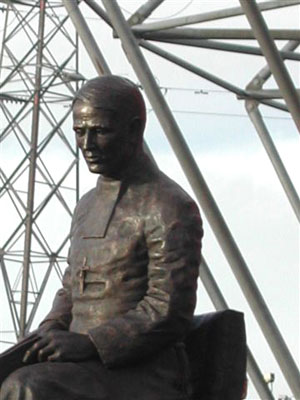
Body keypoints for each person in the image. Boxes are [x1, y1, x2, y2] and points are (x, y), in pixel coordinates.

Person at [0, 75, 203, 400]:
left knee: (26, 389)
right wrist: (52, 328)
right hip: (78, 366)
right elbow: (71, 287)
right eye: (80, 132)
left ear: (134, 129)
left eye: (101, 131)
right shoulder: (86, 206)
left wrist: (92, 342)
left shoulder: (168, 205)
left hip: (143, 372)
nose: (87, 144)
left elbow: (168, 308)